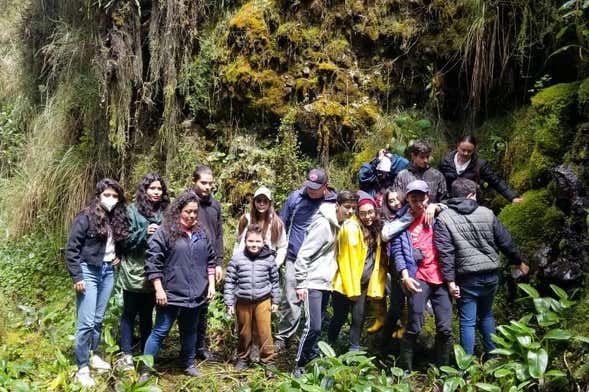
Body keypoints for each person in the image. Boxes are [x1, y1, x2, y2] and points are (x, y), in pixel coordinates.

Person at [435, 178, 529, 357]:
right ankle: (492, 359)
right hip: (491, 273)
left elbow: (446, 253)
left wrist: (450, 281)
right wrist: (519, 261)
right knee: (487, 315)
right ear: (471, 195)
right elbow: (506, 242)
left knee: (468, 321)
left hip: (467, 277)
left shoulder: (444, 218)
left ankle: (466, 367)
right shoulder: (487, 213)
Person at [141, 190, 216, 378]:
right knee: (160, 331)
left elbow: (211, 260)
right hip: (171, 292)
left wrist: (212, 285)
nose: (191, 215)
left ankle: (188, 363)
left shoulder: (202, 232)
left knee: (190, 330)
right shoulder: (165, 231)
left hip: (196, 293)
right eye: (187, 211)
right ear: (178, 210)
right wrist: (159, 289)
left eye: (194, 212)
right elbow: (152, 262)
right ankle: (146, 367)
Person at [65, 178, 128, 387]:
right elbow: (71, 250)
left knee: (99, 318)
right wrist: (77, 277)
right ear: (99, 196)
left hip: (108, 271)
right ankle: (82, 366)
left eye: (114, 196)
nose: (110, 199)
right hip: (88, 271)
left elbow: (118, 241)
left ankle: (94, 355)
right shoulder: (85, 217)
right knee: (86, 321)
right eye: (107, 195)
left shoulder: (116, 217)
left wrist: (117, 255)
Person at [391, 180, 452, 371]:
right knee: (414, 324)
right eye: (413, 198)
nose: (417, 202)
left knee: (445, 327)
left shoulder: (438, 215)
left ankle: (443, 369)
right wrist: (405, 276)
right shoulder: (401, 221)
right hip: (418, 277)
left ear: (427, 197)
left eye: (421, 198)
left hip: (442, 278)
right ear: (407, 198)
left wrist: (436, 206)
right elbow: (398, 252)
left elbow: (454, 207)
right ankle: (405, 369)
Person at [294, 190, 358, 372]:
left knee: (319, 324)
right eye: (347, 207)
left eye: (353, 208)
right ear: (337, 205)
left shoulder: (340, 224)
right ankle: (297, 364)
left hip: (325, 282)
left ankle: (311, 358)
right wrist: (300, 283)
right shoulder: (324, 225)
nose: (350, 211)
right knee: (312, 326)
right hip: (312, 282)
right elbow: (304, 255)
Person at [274, 168, 337, 351]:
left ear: (325, 186)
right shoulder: (296, 197)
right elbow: (281, 222)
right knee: (291, 299)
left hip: (321, 261)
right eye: (308, 186)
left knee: (319, 302)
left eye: (315, 187)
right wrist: (279, 250)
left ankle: (312, 339)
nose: (311, 190)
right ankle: (283, 336)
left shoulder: (334, 201)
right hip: (295, 256)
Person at [118, 173, 170, 369]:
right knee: (129, 312)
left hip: (155, 271)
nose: (156, 192)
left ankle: (145, 353)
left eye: (159, 189)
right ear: (144, 190)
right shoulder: (132, 211)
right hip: (134, 269)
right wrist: (144, 232)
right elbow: (122, 240)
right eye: (152, 188)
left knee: (148, 313)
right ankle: (127, 353)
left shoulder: (166, 212)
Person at [328, 191, 387, 351]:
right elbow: (346, 261)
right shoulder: (351, 228)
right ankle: (328, 345)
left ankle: (353, 349)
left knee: (358, 318)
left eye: (370, 212)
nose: (368, 216)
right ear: (357, 213)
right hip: (345, 284)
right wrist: (351, 289)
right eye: (363, 213)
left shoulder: (375, 229)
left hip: (362, 284)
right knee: (339, 317)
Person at [223, 224, 280, 370]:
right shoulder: (237, 259)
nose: (254, 245)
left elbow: (275, 281)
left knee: (264, 332)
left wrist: (276, 301)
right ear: (245, 241)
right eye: (251, 241)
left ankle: (268, 361)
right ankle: (243, 358)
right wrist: (229, 303)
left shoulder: (269, 259)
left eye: (257, 242)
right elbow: (229, 281)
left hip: (263, 300)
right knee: (244, 332)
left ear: (263, 242)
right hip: (242, 301)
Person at [192, 165, 223, 360]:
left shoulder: (215, 205)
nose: (207, 187)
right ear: (194, 181)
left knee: (204, 306)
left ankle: (200, 347)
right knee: (188, 307)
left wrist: (219, 262)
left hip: (209, 262)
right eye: (203, 183)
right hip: (189, 260)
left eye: (210, 183)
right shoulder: (186, 202)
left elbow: (218, 235)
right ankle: (187, 347)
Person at [439, 135, 523, 203]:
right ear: (458, 146)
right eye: (463, 150)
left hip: (472, 203)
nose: (466, 153)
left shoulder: (480, 165)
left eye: (469, 151)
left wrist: (512, 197)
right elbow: (439, 183)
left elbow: (495, 181)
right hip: (450, 202)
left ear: (474, 150)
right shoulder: (445, 162)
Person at [234, 186, 287, 268]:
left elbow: (282, 247)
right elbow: (237, 242)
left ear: (270, 203)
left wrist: (275, 264)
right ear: (254, 202)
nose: (262, 204)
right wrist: (235, 262)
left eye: (265, 201)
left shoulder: (276, 223)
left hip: (266, 267)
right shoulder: (245, 219)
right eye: (259, 200)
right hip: (245, 266)